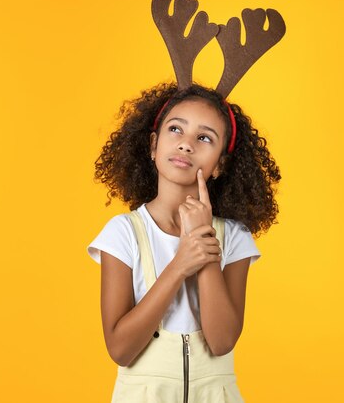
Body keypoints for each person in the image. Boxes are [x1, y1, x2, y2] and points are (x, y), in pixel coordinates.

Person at [87, 81, 281, 402]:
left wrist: (203, 240)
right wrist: (180, 264)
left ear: (219, 164)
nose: (186, 144)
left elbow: (221, 342)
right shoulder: (123, 233)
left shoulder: (233, 237)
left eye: (204, 138)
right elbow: (120, 349)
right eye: (176, 129)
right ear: (153, 145)